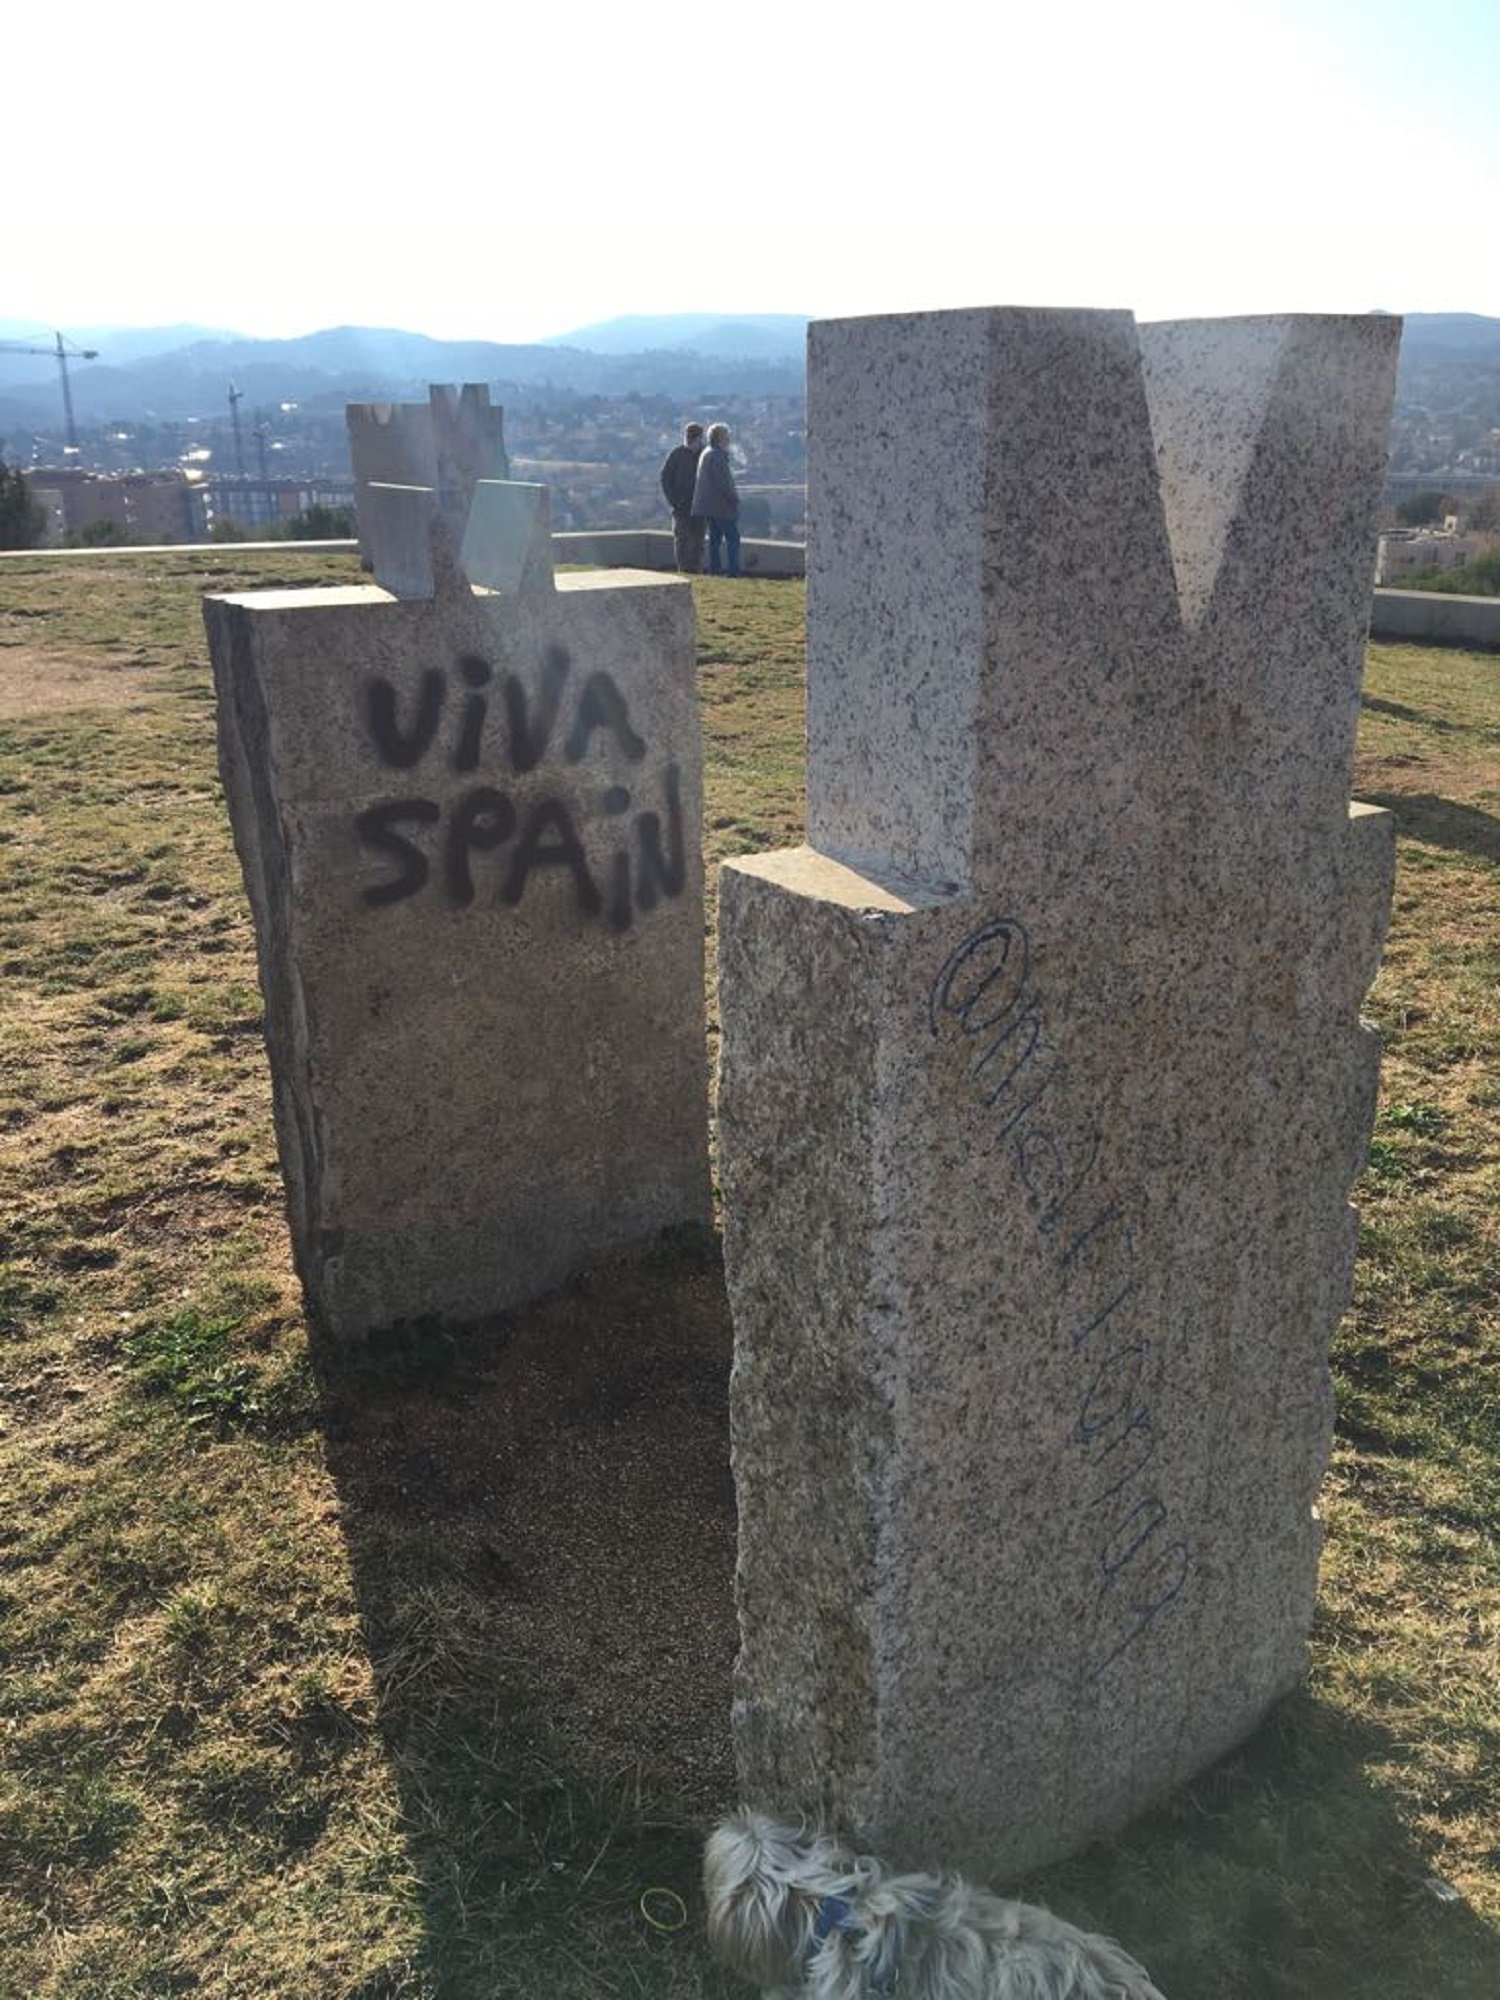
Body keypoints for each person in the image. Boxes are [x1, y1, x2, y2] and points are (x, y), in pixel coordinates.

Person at [691, 422, 742, 577]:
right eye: (726, 436)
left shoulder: (707, 453)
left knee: (715, 539)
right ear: (720, 438)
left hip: (708, 505)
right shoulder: (717, 456)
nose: (729, 439)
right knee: (733, 538)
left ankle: (715, 569)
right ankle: (733, 571)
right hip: (721, 506)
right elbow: (724, 483)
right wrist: (735, 500)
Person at [659, 421, 706, 573]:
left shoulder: (704, 455)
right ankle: (684, 568)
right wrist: (673, 501)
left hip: (699, 506)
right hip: (681, 506)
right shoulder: (677, 454)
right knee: (682, 539)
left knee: (698, 540)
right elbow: (665, 478)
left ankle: (696, 568)